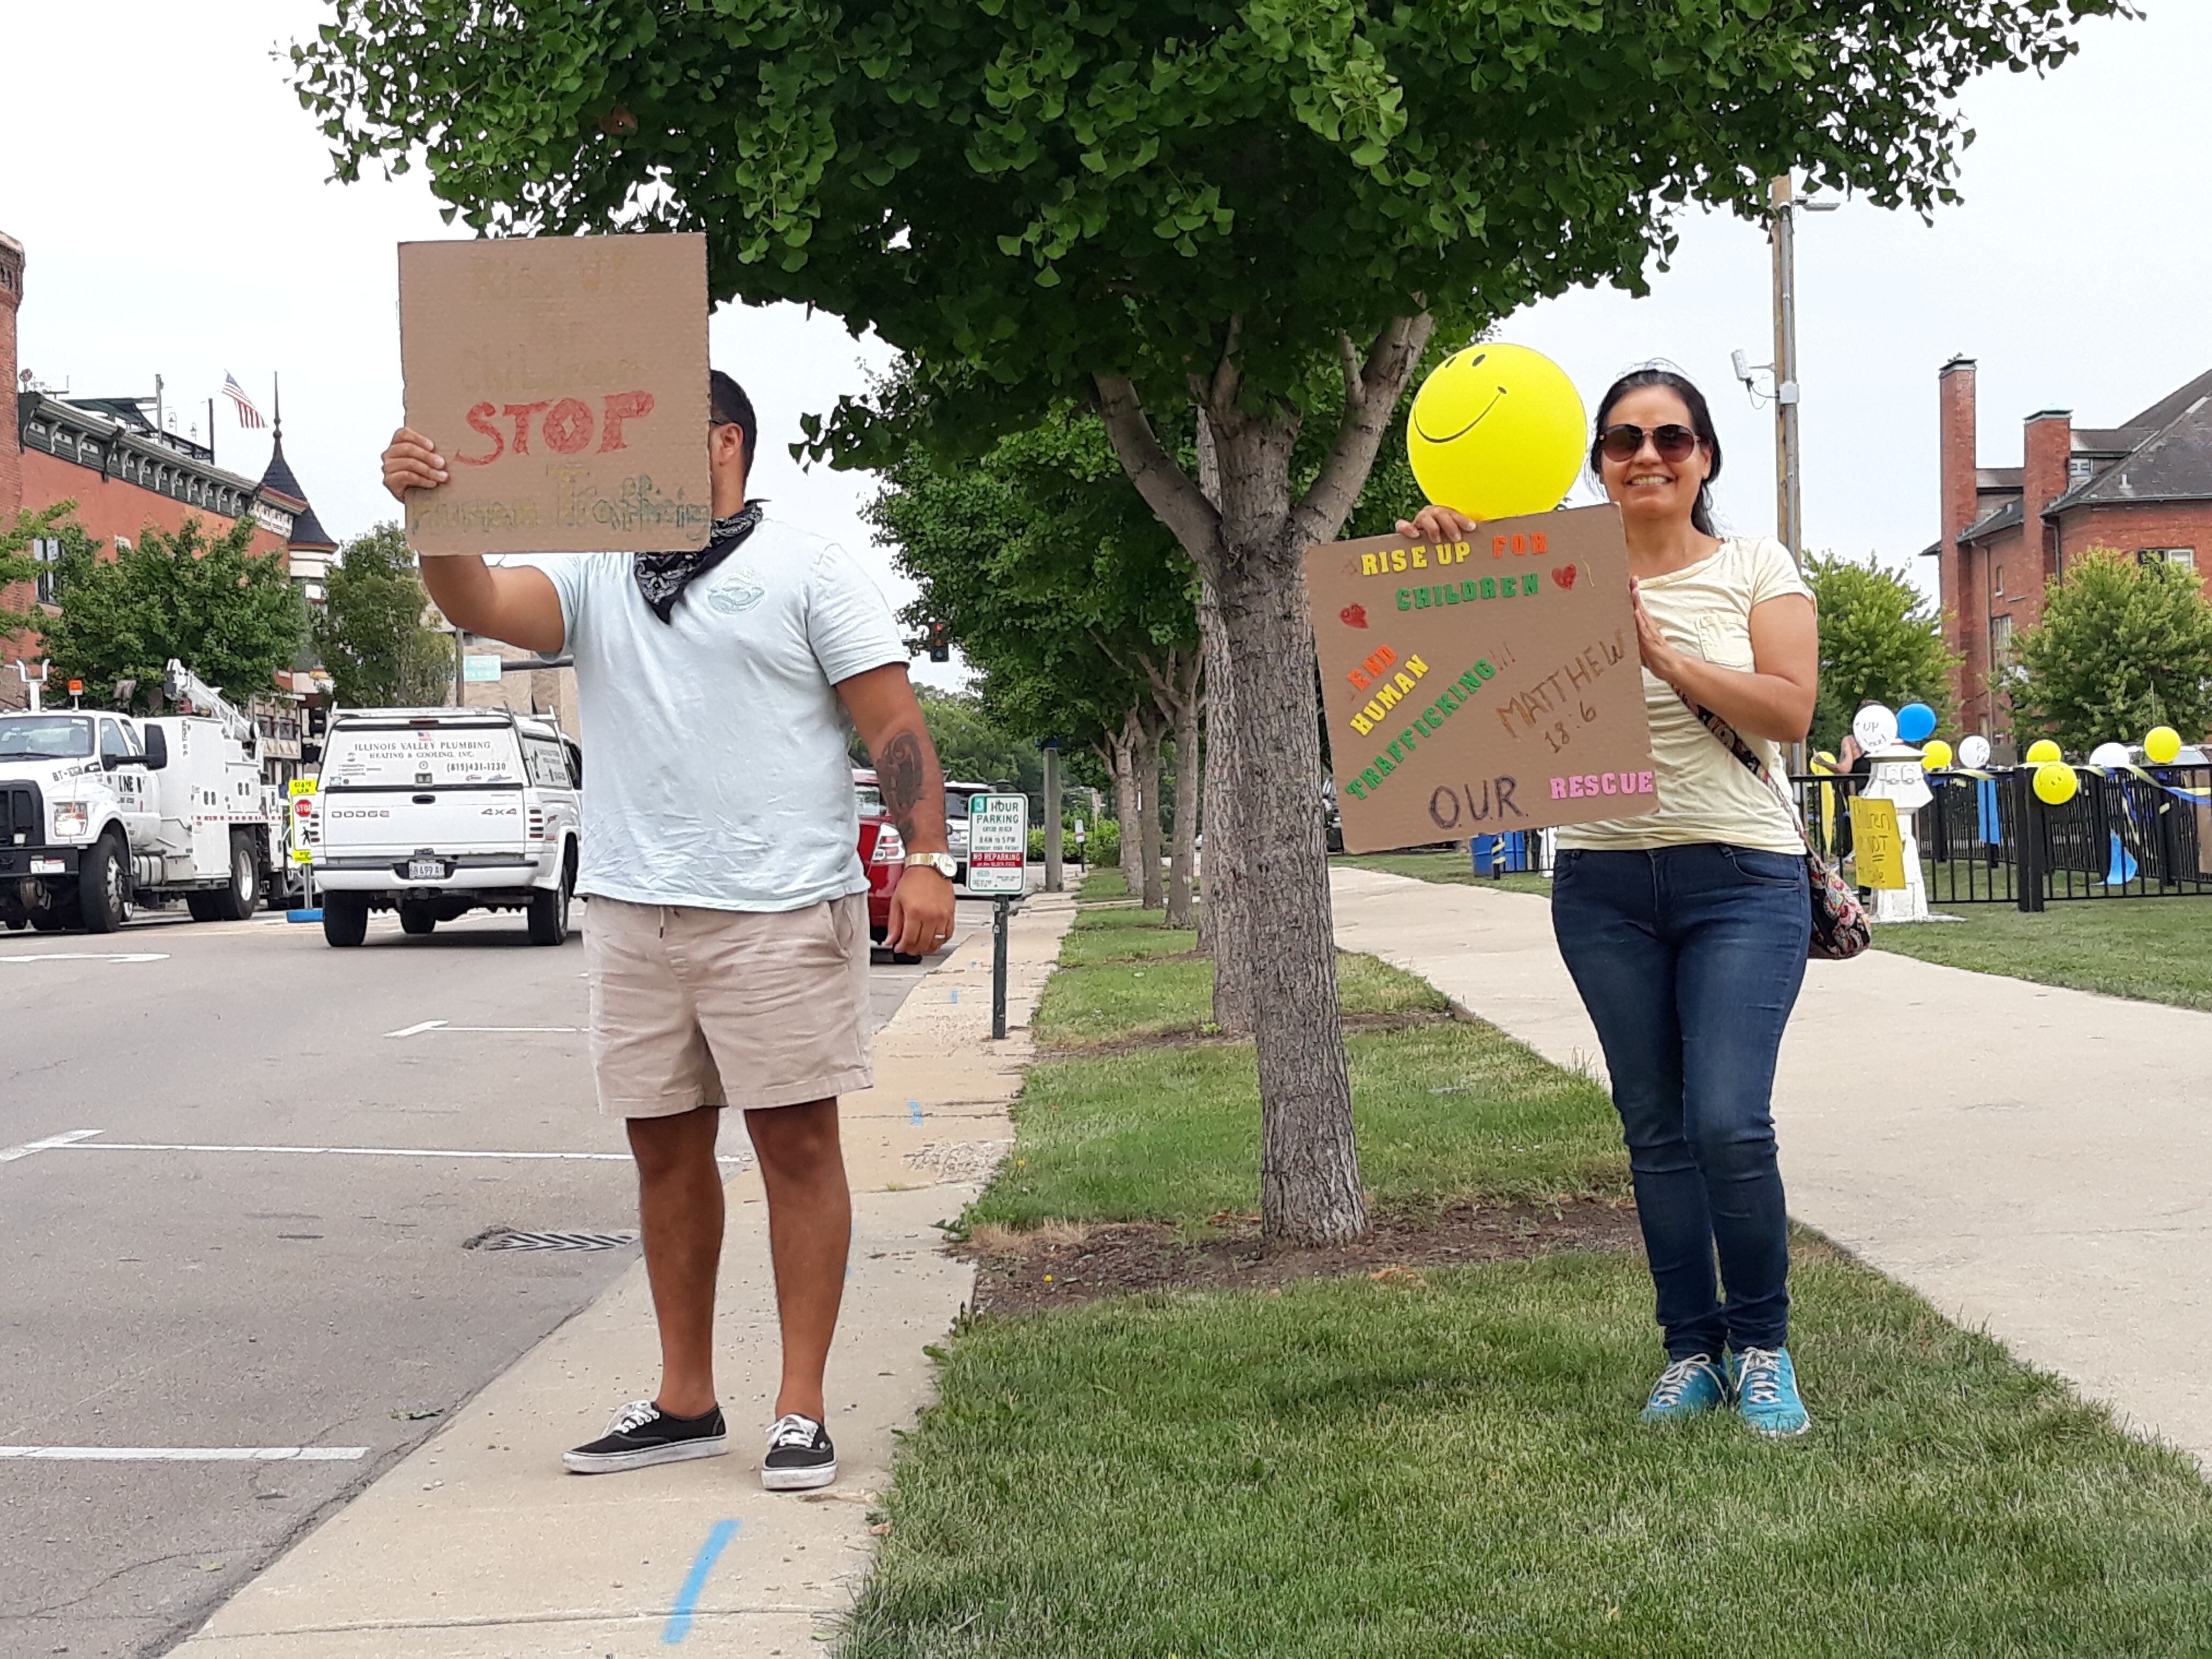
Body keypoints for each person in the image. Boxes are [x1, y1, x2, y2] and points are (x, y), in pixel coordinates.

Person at [380, 370, 958, 1489]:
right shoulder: (598, 572)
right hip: (636, 909)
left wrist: (923, 860)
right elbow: (480, 606)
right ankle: (685, 1399)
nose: (618, 453)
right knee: (664, 1148)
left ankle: (800, 1406)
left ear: (725, 442)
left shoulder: (807, 566)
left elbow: (893, 721)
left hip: (778, 908)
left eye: (649, 432)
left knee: (795, 1146)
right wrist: (431, 512)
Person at [1400, 366, 1819, 1437]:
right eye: (1625, 439)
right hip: (1603, 884)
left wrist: (1659, 654)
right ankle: (1694, 1352)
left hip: (1741, 877)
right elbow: (1455, 672)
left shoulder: (1756, 567)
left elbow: (1789, 707)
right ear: (1597, 462)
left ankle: (1764, 1348)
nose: (1648, 456)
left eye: (1671, 439)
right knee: (1656, 1130)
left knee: (1727, 1121)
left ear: (1705, 458)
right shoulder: (1549, 571)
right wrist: (1443, 555)